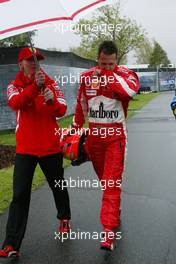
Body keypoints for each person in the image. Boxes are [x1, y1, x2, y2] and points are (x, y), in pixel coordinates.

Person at [0, 47, 71, 258]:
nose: (34, 63)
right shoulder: (14, 86)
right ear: (21, 64)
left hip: (50, 146)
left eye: (37, 60)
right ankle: (11, 244)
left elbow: (62, 109)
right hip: (25, 149)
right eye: (29, 60)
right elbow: (16, 103)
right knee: (20, 194)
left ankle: (64, 218)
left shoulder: (51, 83)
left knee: (57, 187)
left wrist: (51, 100)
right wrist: (34, 87)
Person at [73, 41, 139, 251]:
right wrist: (75, 128)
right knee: (104, 180)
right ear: (97, 59)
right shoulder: (86, 77)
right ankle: (114, 209)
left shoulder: (127, 75)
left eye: (111, 64)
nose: (107, 67)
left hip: (115, 136)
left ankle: (108, 233)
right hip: (94, 137)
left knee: (111, 182)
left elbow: (129, 92)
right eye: (103, 64)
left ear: (116, 60)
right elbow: (81, 104)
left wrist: (108, 76)